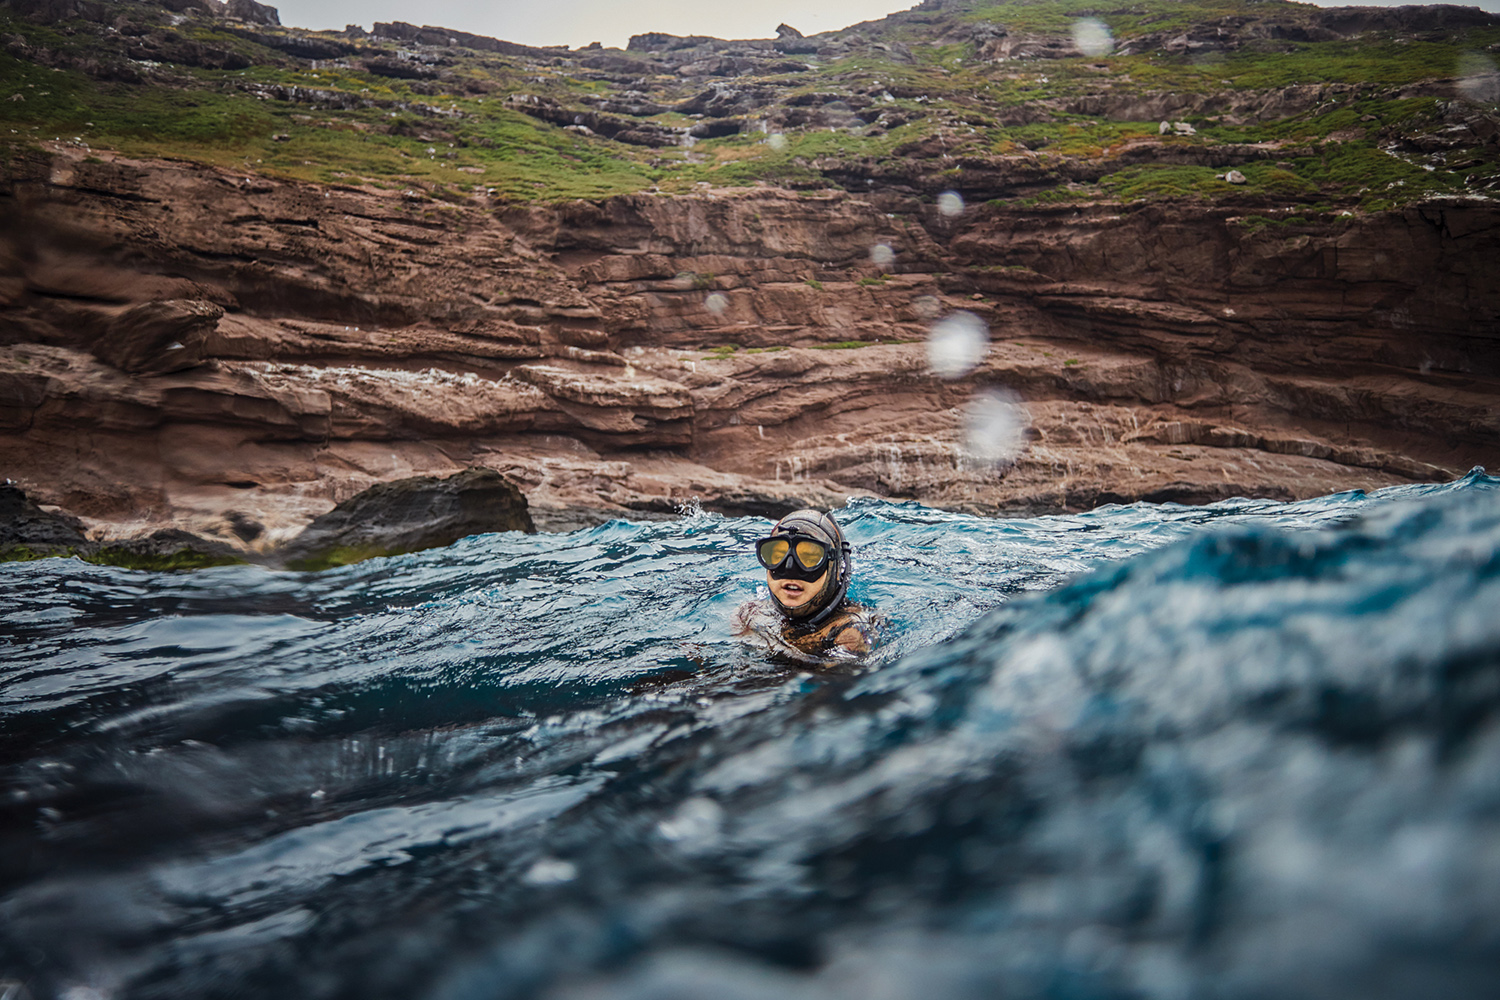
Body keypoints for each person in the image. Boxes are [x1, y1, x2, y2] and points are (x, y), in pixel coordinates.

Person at [734, 508, 880, 663]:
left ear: (834, 570)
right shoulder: (748, 614)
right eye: (777, 556)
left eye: (810, 558)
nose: (790, 568)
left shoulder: (850, 631)